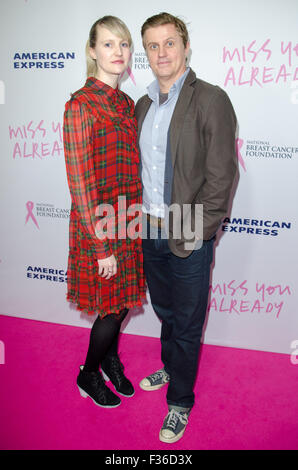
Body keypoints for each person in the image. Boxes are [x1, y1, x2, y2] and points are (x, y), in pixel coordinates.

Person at [136, 12, 238, 442]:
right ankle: (171, 366)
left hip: (188, 232)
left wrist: (198, 232)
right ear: (147, 53)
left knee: (189, 320)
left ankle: (179, 400)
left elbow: (222, 178)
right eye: (153, 46)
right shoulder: (142, 103)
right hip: (148, 229)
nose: (162, 53)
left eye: (169, 43)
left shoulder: (211, 99)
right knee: (164, 311)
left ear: (185, 47)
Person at [63, 16, 146, 409]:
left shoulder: (126, 103)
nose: (118, 52)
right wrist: (101, 247)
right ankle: (87, 372)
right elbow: (80, 183)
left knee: (125, 300)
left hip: (129, 219)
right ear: (93, 51)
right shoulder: (80, 105)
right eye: (109, 44)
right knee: (111, 309)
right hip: (100, 226)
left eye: (124, 44)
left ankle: (110, 357)